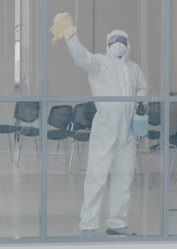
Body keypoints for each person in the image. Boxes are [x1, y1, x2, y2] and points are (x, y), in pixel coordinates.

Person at [50, 13, 147, 237]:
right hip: (105, 127)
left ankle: (117, 222)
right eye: (114, 41)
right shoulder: (99, 63)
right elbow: (80, 57)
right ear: (107, 44)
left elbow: (142, 88)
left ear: (128, 45)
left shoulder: (134, 68)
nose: (118, 45)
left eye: (122, 41)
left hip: (128, 130)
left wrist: (140, 104)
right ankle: (89, 224)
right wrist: (71, 37)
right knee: (97, 175)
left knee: (124, 177)